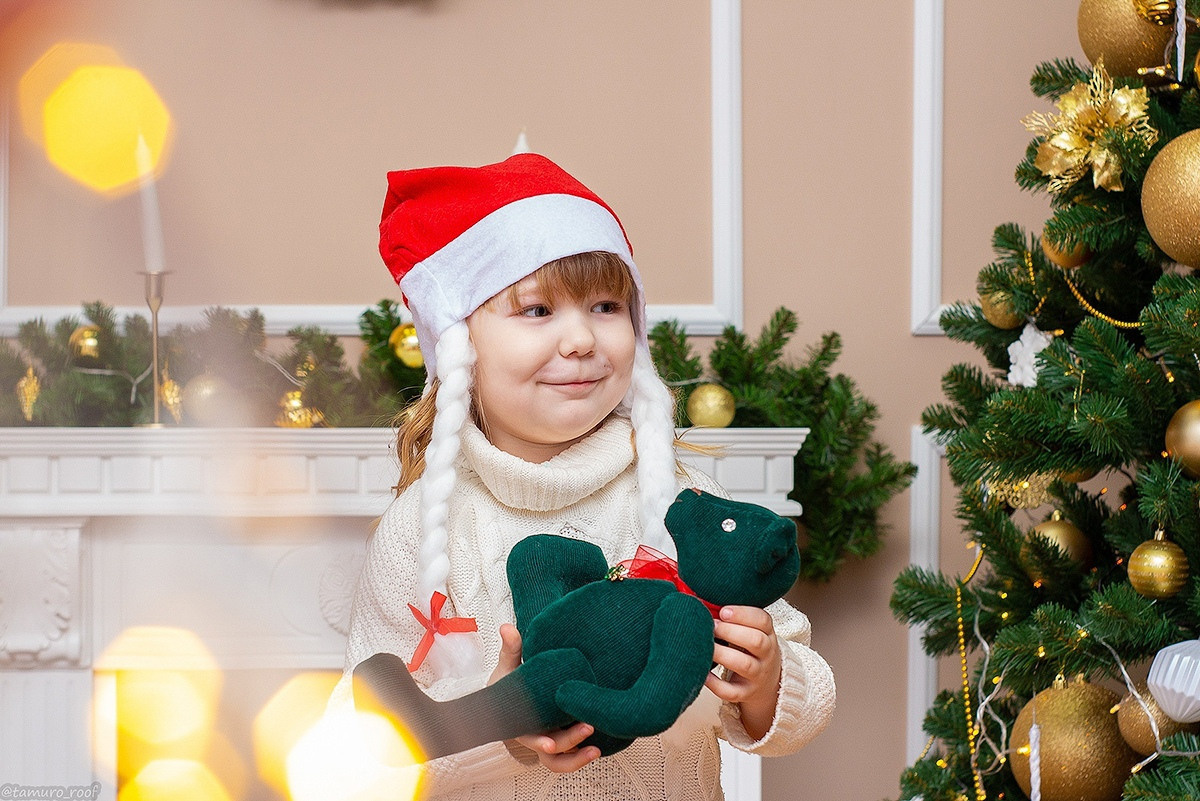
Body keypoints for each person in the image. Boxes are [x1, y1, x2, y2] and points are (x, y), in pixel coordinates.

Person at [332, 153, 835, 799]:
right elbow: (357, 754)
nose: (580, 339)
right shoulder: (420, 532)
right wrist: (506, 734)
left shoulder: (678, 505)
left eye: (605, 304)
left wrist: (767, 682)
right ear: (460, 348)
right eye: (538, 310)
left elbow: (805, 690)